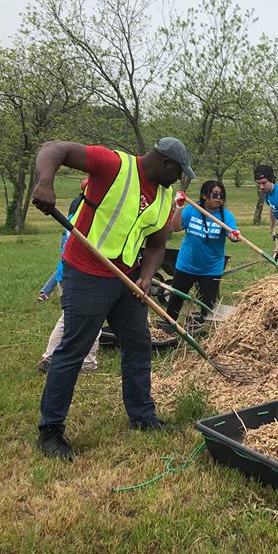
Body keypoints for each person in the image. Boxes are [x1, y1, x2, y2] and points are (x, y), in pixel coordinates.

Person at [30, 137, 193, 460]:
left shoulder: (163, 198)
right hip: (87, 272)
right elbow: (54, 149)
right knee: (74, 349)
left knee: (138, 344)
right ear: (164, 163)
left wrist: (145, 277)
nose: (179, 179)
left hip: (127, 279)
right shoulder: (114, 166)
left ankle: (143, 417)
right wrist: (44, 183)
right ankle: (50, 430)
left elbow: (157, 245)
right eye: (178, 172)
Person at [38, 179, 98, 373]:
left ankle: (50, 356)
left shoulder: (73, 213)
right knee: (94, 317)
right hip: (81, 274)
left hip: (66, 272)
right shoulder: (90, 217)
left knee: (68, 317)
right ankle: (87, 361)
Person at [164, 180, 241, 326]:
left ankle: (203, 328)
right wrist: (179, 207)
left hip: (211, 268)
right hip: (186, 264)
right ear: (205, 195)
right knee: (175, 300)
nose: (219, 198)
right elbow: (175, 227)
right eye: (215, 194)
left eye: (221, 195)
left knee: (208, 304)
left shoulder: (226, 216)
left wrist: (234, 236)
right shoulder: (192, 210)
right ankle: (168, 326)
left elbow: (231, 234)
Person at [37, 180, 88, 301]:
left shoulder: (76, 201)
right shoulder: (83, 204)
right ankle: (45, 292)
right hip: (73, 236)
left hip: (67, 235)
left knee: (64, 263)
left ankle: (45, 292)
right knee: (66, 264)